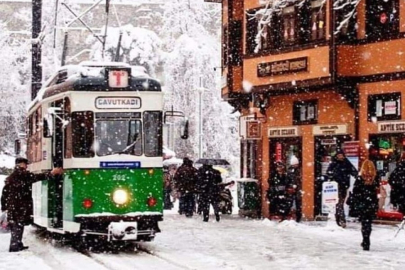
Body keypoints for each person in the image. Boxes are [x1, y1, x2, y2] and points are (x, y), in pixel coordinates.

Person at [1, 157, 63, 252]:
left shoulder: (12, 176)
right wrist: (51, 173)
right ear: (21, 164)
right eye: (25, 164)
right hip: (19, 205)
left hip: (14, 205)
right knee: (18, 225)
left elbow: (4, 193)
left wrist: (4, 206)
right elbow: (35, 177)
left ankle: (17, 243)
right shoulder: (21, 174)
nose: (26, 166)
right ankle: (15, 246)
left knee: (17, 225)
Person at [351, 160, 379, 251]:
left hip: (362, 203)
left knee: (364, 223)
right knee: (368, 223)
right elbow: (376, 191)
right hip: (371, 203)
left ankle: (365, 240)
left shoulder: (360, 179)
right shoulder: (375, 178)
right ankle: (366, 240)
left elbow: (355, 191)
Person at [326, 149, 358, 228]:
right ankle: (341, 220)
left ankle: (338, 220)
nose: (340, 157)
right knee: (339, 203)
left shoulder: (346, 163)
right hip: (335, 186)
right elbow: (328, 172)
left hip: (344, 186)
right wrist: (332, 176)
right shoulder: (334, 163)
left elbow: (354, 171)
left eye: (341, 155)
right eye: (339, 155)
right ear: (336, 156)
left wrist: (357, 177)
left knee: (339, 203)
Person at [287, 156, 302, 222]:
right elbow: (288, 179)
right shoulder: (290, 171)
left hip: (297, 189)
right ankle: (291, 216)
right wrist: (291, 186)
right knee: (291, 202)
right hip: (293, 188)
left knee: (297, 203)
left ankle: (297, 217)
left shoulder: (298, 170)